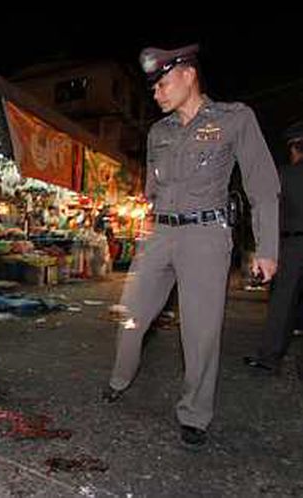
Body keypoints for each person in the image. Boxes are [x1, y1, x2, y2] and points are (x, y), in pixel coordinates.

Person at [102, 44, 280, 449]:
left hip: (205, 237)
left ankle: (195, 413)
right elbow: (152, 188)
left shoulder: (234, 119)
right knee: (132, 316)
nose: (156, 94)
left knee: (199, 332)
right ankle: (120, 378)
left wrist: (267, 247)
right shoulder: (158, 132)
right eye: (153, 88)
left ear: (188, 75)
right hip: (161, 234)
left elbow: (263, 185)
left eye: (162, 84)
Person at [245, 121, 303, 374]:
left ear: (294, 149)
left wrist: (264, 249)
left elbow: (272, 214)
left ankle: (269, 356)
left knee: (283, 301)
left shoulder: (285, 175)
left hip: (293, 244)